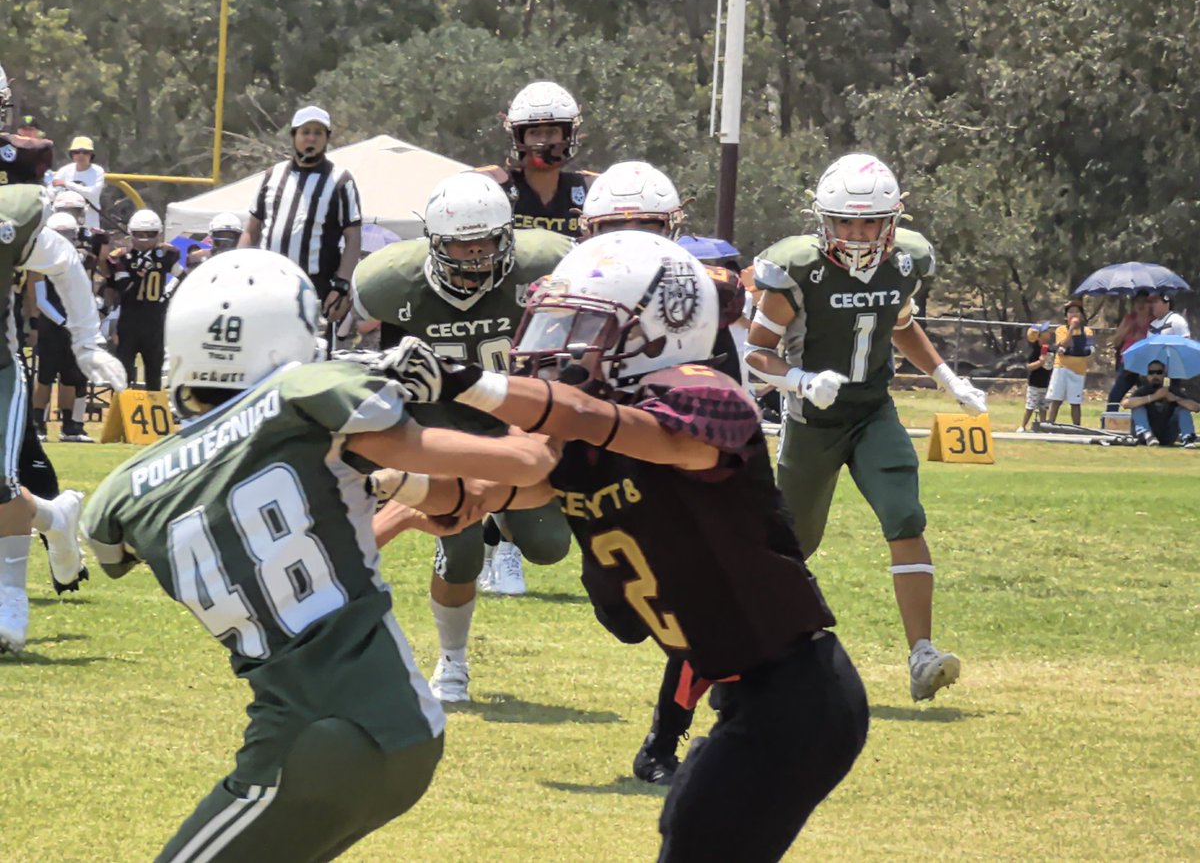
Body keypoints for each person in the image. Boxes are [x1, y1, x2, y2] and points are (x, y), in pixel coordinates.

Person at [382, 231, 870, 863]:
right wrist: (387, 475)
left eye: (583, 325)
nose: (560, 346)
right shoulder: (587, 422)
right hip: (747, 694)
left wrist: (465, 381)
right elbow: (481, 492)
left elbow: (615, 428)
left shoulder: (707, 397)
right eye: (556, 324)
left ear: (660, 329)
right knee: (685, 832)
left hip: (800, 695)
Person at [80, 249, 558, 860]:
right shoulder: (306, 395)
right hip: (390, 726)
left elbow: (135, 543)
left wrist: (396, 490)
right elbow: (522, 470)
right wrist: (478, 388)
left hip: (314, 737)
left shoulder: (129, 488)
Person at [745, 152, 985, 702]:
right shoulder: (795, 269)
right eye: (846, 221)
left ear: (891, 221)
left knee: (905, 517)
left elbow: (900, 324)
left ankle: (922, 653)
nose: (856, 233)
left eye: (869, 222)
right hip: (813, 421)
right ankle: (755, 646)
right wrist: (801, 381)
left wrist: (948, 377)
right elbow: (757, 354)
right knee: (793, 542)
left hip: (874, 411)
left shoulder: (904, 263)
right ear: (824, 219)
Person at [352, 171, 574, 700]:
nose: (475, 257)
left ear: (508, 238)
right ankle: (452, 663)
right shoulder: (392, 283)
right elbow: (355, 346)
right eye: (461, 245)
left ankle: (502, 517)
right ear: (434, 242)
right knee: (460, 548)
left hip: (517, 422)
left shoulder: (546, 265)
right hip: (440, 430)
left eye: (486, 244)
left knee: (549, 547)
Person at [579, 161, 745, 786]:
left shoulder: (698, 301)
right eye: (616, 228)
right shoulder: (571, 297)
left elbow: (725, 391)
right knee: (622, 617)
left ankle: (663, 745)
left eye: (646, 226)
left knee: (701, 606)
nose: (631, 240)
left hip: (684, 466)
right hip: (601, 478)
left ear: (672, 228)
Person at [0, 174, 127, 651]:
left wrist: (87, 342)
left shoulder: (8, 219)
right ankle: (55, 517)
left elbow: (65, 261)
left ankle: (9, 598)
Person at [240, 106, 362, 324]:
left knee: (312, 355)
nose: (311, 138)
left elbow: (353, 237)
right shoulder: (272, 176)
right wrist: (239, 269)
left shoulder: (340, 180)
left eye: (318, 133)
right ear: (294, 135)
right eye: (305, 132)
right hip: (267, 284)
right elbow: (252, 229)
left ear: (326, 138)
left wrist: (342, 285)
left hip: (316, 288)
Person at [476, 81, 595, 239]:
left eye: (552, 131)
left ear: (567, 136)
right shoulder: (494, 189)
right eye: (534, 133)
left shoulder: (592, 190)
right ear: (519, 138)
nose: (543, 141)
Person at [30, 212, 96, 442]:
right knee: (45, 376)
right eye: (60, 234)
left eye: (68, 234)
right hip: (52, 324)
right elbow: (40, 299)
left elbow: (85, 291)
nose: (64, 238)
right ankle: (38, 424)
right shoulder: (39, 259)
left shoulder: (83, 257)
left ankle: (69, 426)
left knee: (71, 377)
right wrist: (63, 322)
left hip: (73, 323)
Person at [105, 209, 181, 392]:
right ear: (131, 233)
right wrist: (142, 270)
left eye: (150, 234)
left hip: (155, 322)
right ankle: (121, 413)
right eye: (139, 234)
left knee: (154, 375)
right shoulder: (121, 257)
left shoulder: (166, 255)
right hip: (129, 321)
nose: (144, 239)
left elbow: (183, 276)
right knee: (123, 375)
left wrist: (169, 293)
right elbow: (124, 288)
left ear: (159, 234)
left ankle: (152, 416)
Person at [1121, 361, 1199, 448]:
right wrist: (1154, 397)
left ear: (1164, 374)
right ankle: (1146, 434)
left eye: (1159, 372)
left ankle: (1188, 438)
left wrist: (1176, 399)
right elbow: (1125, 404)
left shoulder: (1172, 390)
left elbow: (1196, 407)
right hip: (1144, 438)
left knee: (1183, 408)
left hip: (1167, 434)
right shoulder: (1143, 391)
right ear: (1147, 375)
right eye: (1151, 373)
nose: (1155, 376)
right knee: (1137, 406)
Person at [1046, 299, 1095, 426]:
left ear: (1082, 316)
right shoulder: (1061, 330)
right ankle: (1050, 424)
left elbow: (1089, 349)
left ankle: (1077, 427)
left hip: (1078, 370)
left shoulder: (1087, 331)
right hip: (1061, 367)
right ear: (1066, 316)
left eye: (1077, 312)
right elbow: (1062, 344)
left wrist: (1086, 352)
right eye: (1070, 312)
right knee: (1056, 399)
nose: (1074, 314)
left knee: (1075, 401)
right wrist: (1071, 329)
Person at [1106, 292, 1152, 412]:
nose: (1141, 305)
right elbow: (1115, 342)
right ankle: (1109, 422)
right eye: (1138, 302)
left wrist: (1142, 338)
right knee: (1115, 396)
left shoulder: (1154, 320)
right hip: (1128, 364)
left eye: (1145, 301)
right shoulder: (1129, 319)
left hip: (1146, 365)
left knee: (1147, 396)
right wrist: (1128, 328)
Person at [51, 136, 105, 229]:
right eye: (76, 152)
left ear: (91, 154)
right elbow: (52, 192)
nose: (81, 155)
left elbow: (92, 193)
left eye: (85, 152)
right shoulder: (64, 170)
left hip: (89, 223)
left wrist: (67, 184)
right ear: (71, 154)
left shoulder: (98, 171)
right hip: (65, 223)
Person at [1017, 322, 1054, 432]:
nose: (1049, 333)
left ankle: (1043, 427)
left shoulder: (1050, 349)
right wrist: (1039, 362)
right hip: (1034, 384)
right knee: (1030, 406)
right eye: (1045, 331)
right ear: (1038, 337)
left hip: (1046, 383)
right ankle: (1022, 426)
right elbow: (1029, 367)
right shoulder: (1034, 350)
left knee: (1043, 407)